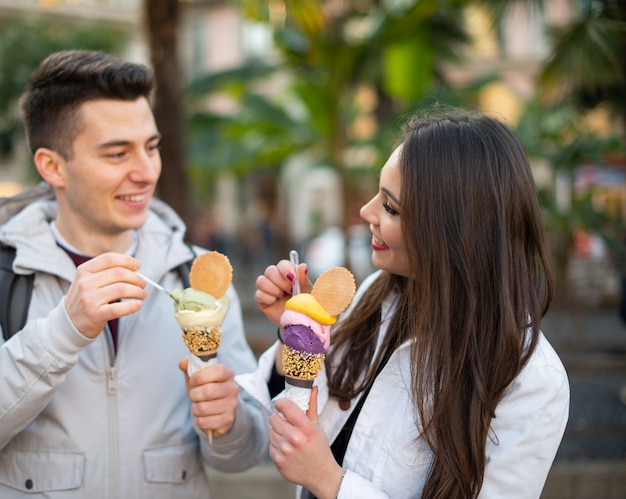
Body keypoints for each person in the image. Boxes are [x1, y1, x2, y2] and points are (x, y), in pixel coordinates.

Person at [243, 107, 570, 498]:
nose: (366, 212)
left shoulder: (530, 381)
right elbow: (310, 410)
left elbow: (323, 470)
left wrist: (331, 483)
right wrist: (297, 334)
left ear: (452, 230)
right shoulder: (377, 295)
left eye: (390, 207)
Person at [0, 50, 268, 497]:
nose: (146, 173)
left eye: (152, 147)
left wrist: (230, 423)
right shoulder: (6, 275)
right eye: (117, 153)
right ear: (52, 166)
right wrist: (64, 332)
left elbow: (242, 455)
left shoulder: (200, 274)